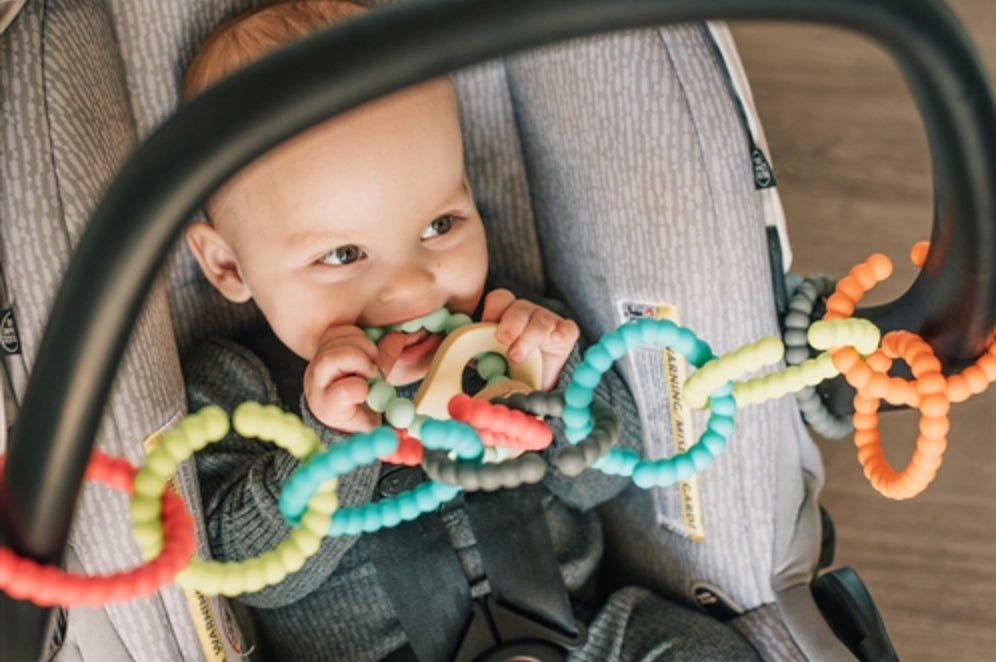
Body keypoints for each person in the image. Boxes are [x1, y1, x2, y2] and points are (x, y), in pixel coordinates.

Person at [180, 2, 761, 660]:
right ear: (229, 265)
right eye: (342, 256)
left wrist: (559, 388)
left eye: (439, 226)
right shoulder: (236, 390)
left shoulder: (509, 331)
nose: (414, 288)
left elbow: (606, 481)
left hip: (580, 632)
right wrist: (330, 444)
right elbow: (252, 571)